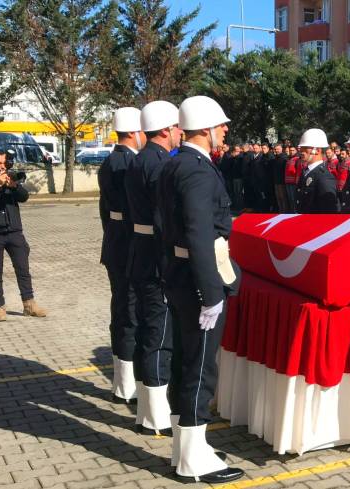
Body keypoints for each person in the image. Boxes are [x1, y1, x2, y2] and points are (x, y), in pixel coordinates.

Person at [157, 95, 243, 484]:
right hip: (197, 279)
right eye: (221, 125)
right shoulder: (195, 170)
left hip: (178, 274)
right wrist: (210, 293)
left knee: (183, 362)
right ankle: (193, 458)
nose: (225, 130)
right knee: (199, 367)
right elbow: (198, 233)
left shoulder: (176, 163)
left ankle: (186, 447)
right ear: (206, 129)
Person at [125, 100, 182, 435]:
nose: (179, 133)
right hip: (157, 257)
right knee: (159, 336)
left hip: (140, 251)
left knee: (150, 331)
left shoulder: (139, 159)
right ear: (165, 129)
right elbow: (165, 218)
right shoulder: (158, 163)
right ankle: (157, 417)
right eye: (176, 127)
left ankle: (147, 413)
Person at [98, 107, 144, 404]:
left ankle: (122, 382)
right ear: (133, 132)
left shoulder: (110, 161)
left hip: (115, 244)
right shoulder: (127, 163)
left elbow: (106, 212)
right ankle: (126, 385)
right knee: (128, 313)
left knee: (122, 310)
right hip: (127, 247)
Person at [0, 147, 48, 322]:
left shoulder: (9, 177)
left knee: (23, 269)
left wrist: (13, 186)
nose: (2, 167)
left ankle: (29, 304)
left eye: (3, 163)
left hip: (14, 232)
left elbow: (24, 197)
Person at [295, 128, 338, 213]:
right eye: (301, 148)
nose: (301, 151)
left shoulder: (324, 177)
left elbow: (328, 211)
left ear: (317, 150)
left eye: (305, 147)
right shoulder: (306, 172)